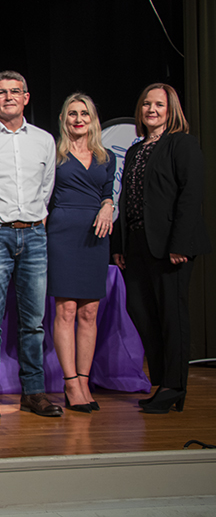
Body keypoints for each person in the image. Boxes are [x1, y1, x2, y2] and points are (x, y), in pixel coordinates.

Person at [111, 83, 210, 414]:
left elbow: (191, 195)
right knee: (141, 311)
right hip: (138, 244)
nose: (151, 110)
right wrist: (120, 245)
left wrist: (179, 243)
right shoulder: (136, 150)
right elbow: (127, 200)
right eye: (146, 104)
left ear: (171, 110)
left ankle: (174, 386)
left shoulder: (182, 144)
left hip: (171, 245)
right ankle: (162, 382)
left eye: (159, 105)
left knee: (171, 316)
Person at [0, 70, 62, 419]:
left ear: (26, 97)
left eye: (15, 91)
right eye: (1, 92)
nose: (8, 97)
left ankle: (34, 393)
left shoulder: (44, 140)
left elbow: (46, 188)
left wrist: (35, 220)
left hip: (35, 235)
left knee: (34, 322)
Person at [47, 93, 116, 413]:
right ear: (64, 119)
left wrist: (108, 204)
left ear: (93, 119)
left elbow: (107, 192)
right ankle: (71, 383)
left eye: (84, 113)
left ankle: (85, 381)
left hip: (96, 236)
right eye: (73, 113)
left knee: (89, 312)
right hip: (62, 234)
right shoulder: (54, 154)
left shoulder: (106, 157)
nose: (79, 119)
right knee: (66, 311)